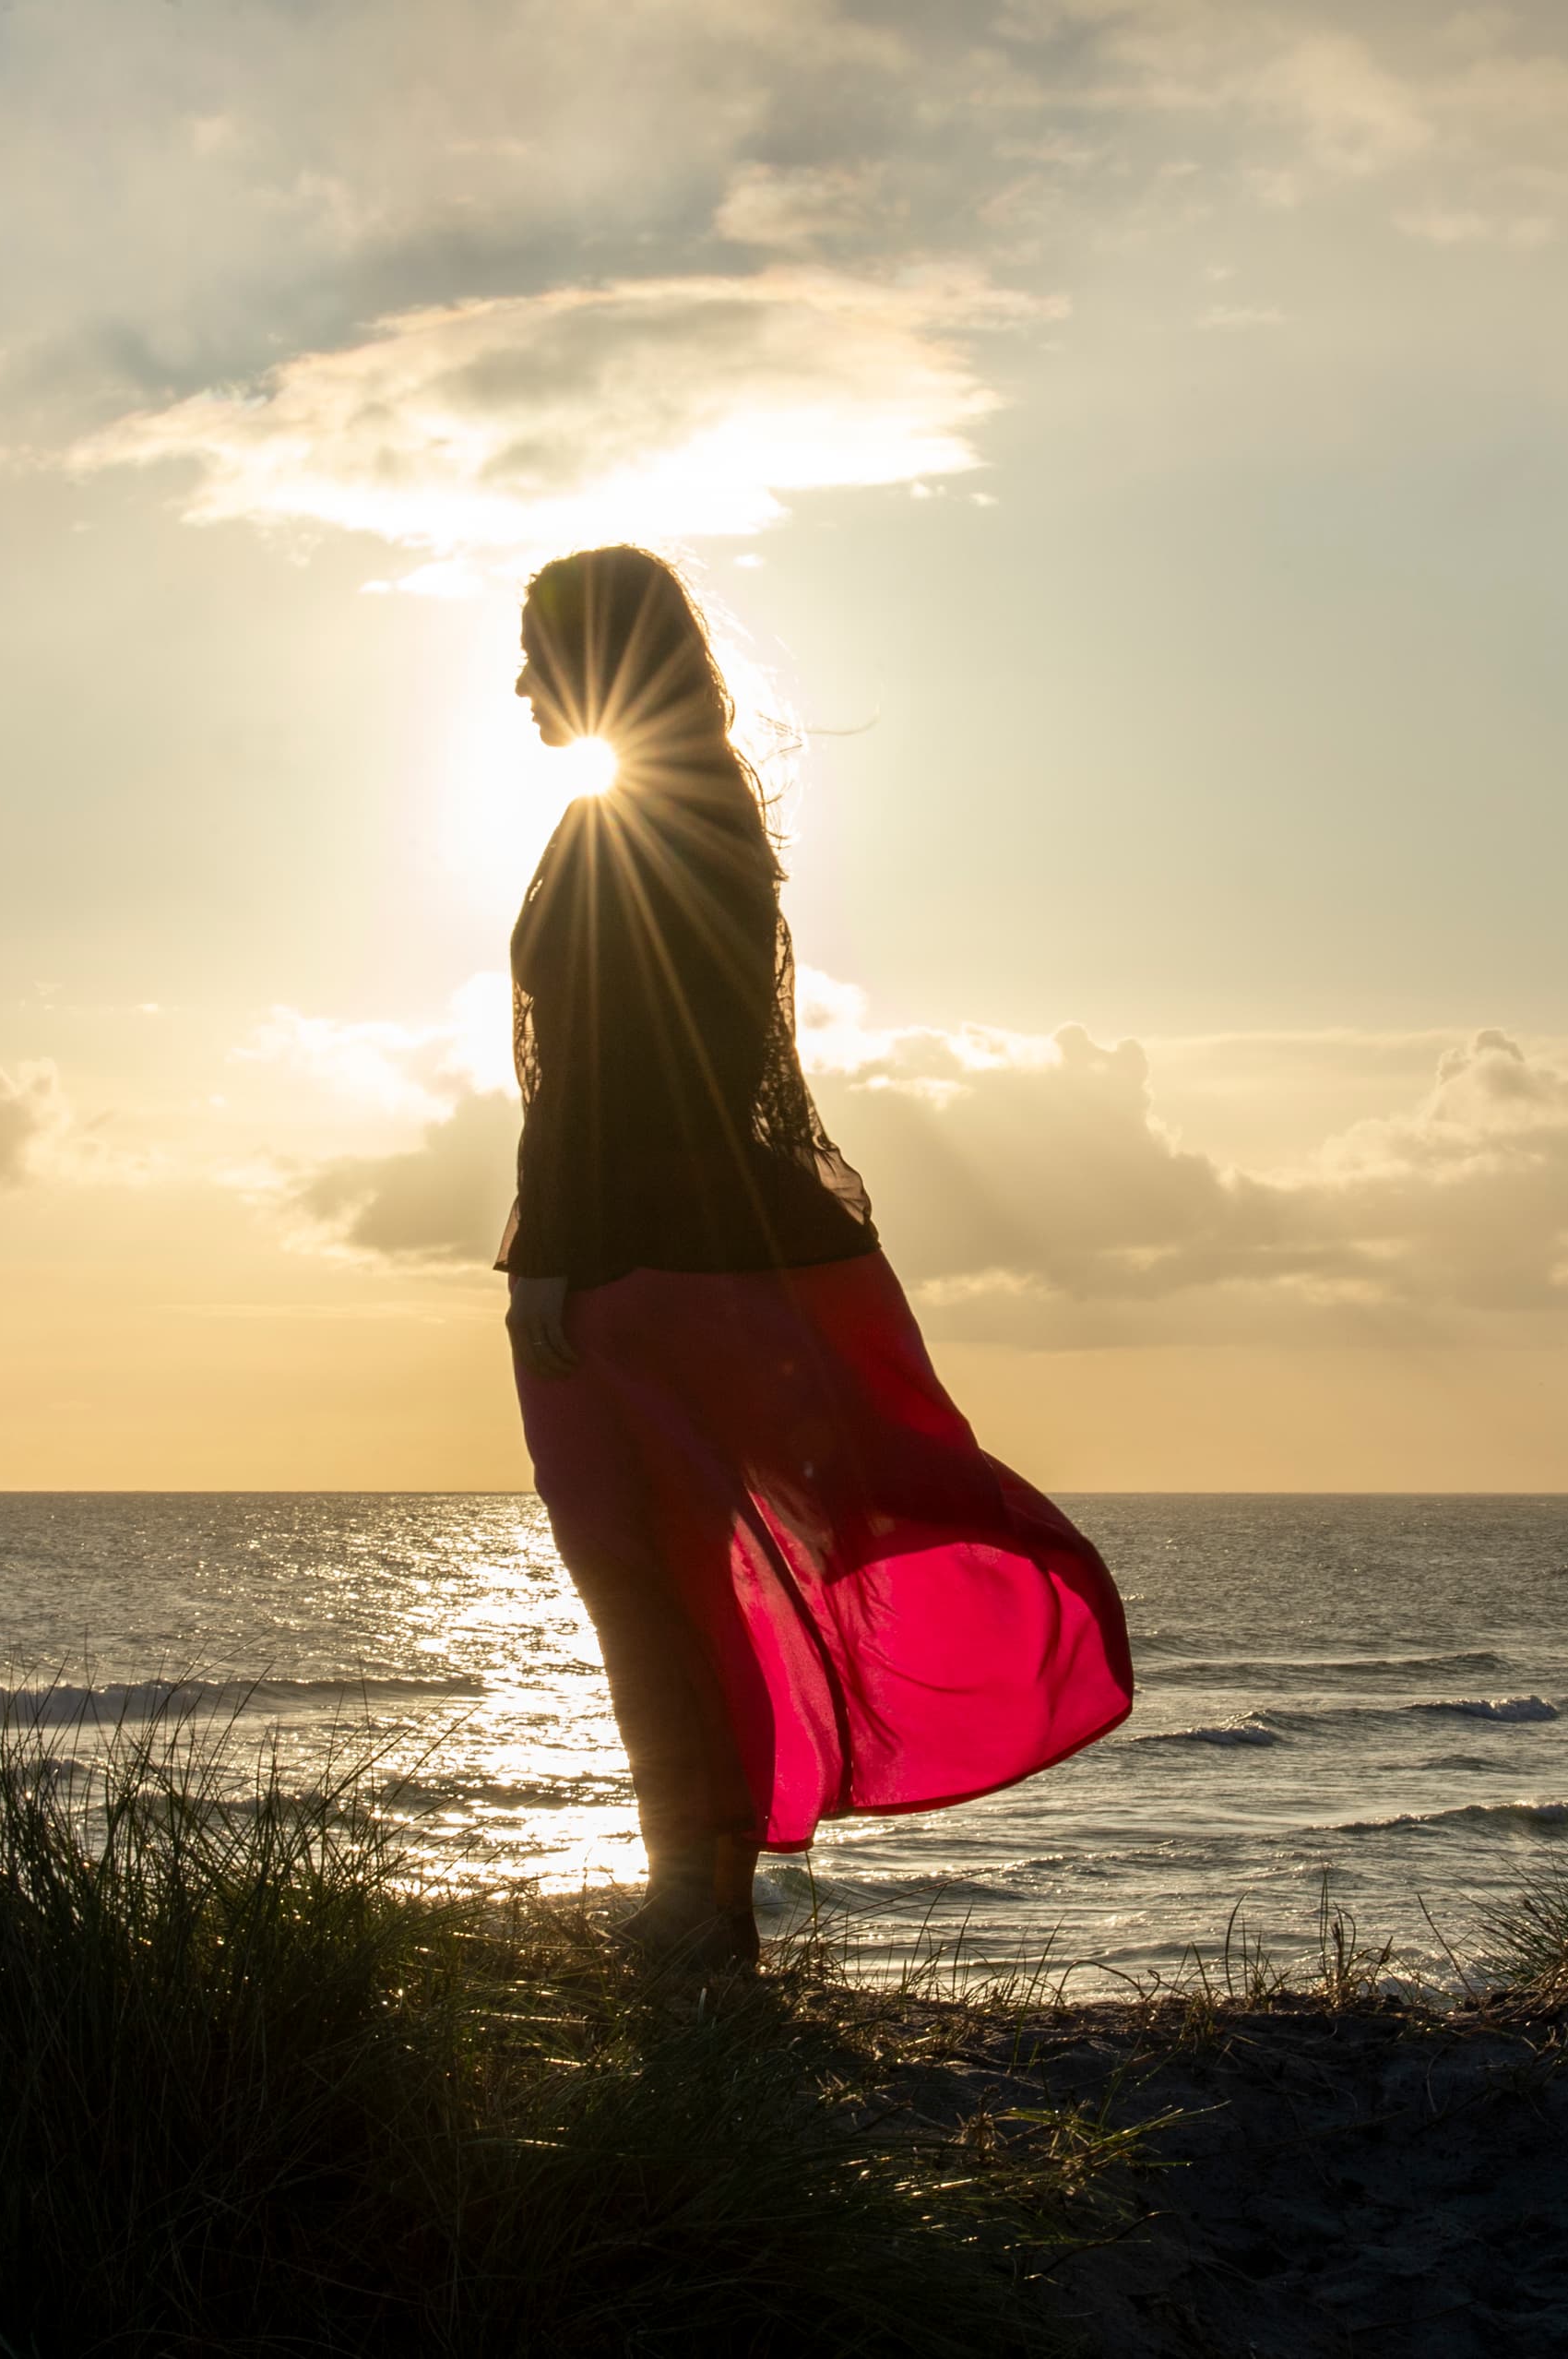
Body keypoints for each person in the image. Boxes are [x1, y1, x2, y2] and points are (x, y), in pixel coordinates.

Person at [497, 544, 1134, 1974]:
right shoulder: (710, 806)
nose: (520, 679)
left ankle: (691, 1895)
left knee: (642, 1585)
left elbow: (606, 1071)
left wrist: (549, 1256)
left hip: (624, 1263)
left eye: (537, 647)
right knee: (692, 1578)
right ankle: (705, 1898)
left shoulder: (632, 820)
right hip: (694, 1244)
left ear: (597, 656)